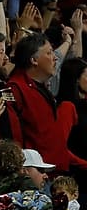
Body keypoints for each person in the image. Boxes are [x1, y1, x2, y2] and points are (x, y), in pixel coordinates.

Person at [6, 32, 87, 173]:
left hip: (56, 173)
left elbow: (53, 142)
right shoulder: (15, 89)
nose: (55, 57)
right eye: (49, 53)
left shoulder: (42, 89)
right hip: (36, 176)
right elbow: (14, 139)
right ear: (34, 60)